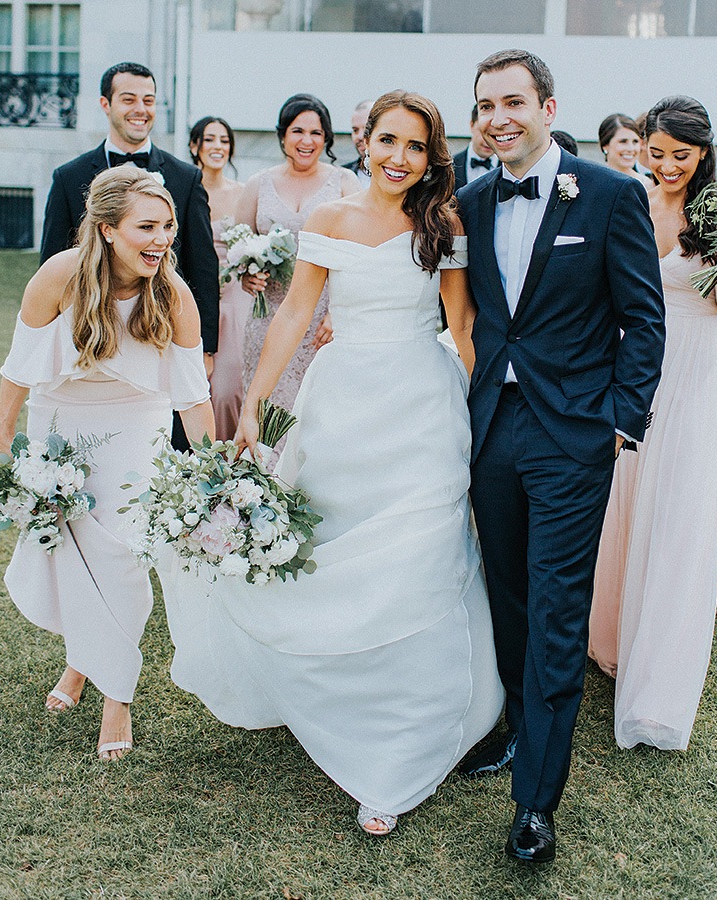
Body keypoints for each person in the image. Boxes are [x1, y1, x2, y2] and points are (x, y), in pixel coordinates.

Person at [160, 91, 503, 836]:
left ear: (431, 154)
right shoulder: (327, 219)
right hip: (342, 405)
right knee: (332, 551)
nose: (398, 158)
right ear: (366, 141)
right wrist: (251, 406)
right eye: (387, 140)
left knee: (419, 560)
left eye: (415, 146)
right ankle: (336, 688)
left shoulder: (443, 223)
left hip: (422, 408)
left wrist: (490, 416)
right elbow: (293, 314)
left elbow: (462, 323)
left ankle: (404, 742)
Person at [455, 50, 665, 864]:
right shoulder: (470, 201)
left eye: (513, 101)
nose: (499, 117)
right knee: (506, 589)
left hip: (574, 432)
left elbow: (644, 320)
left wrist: (621, 419)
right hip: (491, 428)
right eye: (485, 105)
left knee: (555, 607)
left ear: (547, 106)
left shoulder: (610, 194)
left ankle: (537, 798)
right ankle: (516, 726)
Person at [0, 168, 214, 760]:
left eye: (168, 226)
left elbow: (193, 396)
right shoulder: (60, 276)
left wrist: (213, 468)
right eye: (147, 227)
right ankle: (80, 662)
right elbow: (20, 364)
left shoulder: (173, 293)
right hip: (61, 424)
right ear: (108, 229)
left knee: (121, 556)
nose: (163, 239)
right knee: (69, 554)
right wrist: (4, 436)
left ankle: (116, 695)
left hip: (134, 428)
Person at [589, 96, 717, 750]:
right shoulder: (630, 201)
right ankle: (614, 635)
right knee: (625, 500)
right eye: (657, 154)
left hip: (694, 365)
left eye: (681, 156)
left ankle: (660, 680)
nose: (668, 166)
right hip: (634, 363)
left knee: (678, 508)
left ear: (702, 154)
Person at [39, 61, 219, 451]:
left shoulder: (186, 178)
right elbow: (52, 265)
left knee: (163, 445)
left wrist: (205, 347)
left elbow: (203, 268)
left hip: (159, 332)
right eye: (129, 99)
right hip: (89, 336)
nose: (141, 108)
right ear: (105, 104)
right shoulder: (68, 178)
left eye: (149, 100)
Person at [236, 94, 360, 414]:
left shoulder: (344, 182)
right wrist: (247, 276)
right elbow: (237, 245)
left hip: (324, 323)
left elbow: (360, 254)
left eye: (316, 133)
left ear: (326, 139)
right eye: (297, 131)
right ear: (282, 135)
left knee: (317, 410)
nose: (307, 141)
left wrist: (337, 312)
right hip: (268, 317)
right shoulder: (257, 184)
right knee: (266, 409)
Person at [188, 115, 251, 441]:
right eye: (210, 139)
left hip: (236, 297)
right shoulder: (186, 190)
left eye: (224, 140)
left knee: (229, 386)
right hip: (196, 296)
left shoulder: (243, 193)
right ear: (194, 146)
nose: (218, 147)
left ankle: (230, 453)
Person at [598, 113, 653, 187]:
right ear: (605, 145)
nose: (631, 148)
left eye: (635, 142)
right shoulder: (594, 181)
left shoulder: (647, 185)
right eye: (623, 141)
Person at [453, 104, 498, 189]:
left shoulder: (512, 169)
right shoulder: (450, 166)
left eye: (495, 134)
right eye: (483, 131)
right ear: (471, 125)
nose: (488, 141)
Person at [343, 99, 373, 186]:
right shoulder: (343, 174)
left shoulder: (396, 173)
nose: (360, 136)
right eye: (355, 130)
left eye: (366, 128)